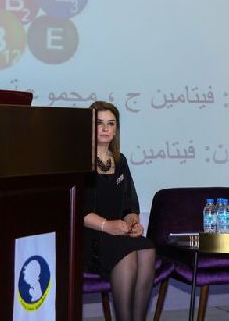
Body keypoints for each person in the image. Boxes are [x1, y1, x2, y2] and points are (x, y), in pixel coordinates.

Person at [83, 101, 156, 321]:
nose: (105, 128)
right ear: (89, 127)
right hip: (89, 235)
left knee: (147, 248)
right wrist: (107, 225)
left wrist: (133, 222)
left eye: (111, 123)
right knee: (127, 253)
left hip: (118, 233)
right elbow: (77, 210)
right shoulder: (78, 161)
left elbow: (129, 205)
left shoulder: (120, 162)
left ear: (116, 129)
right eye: (99, 123)